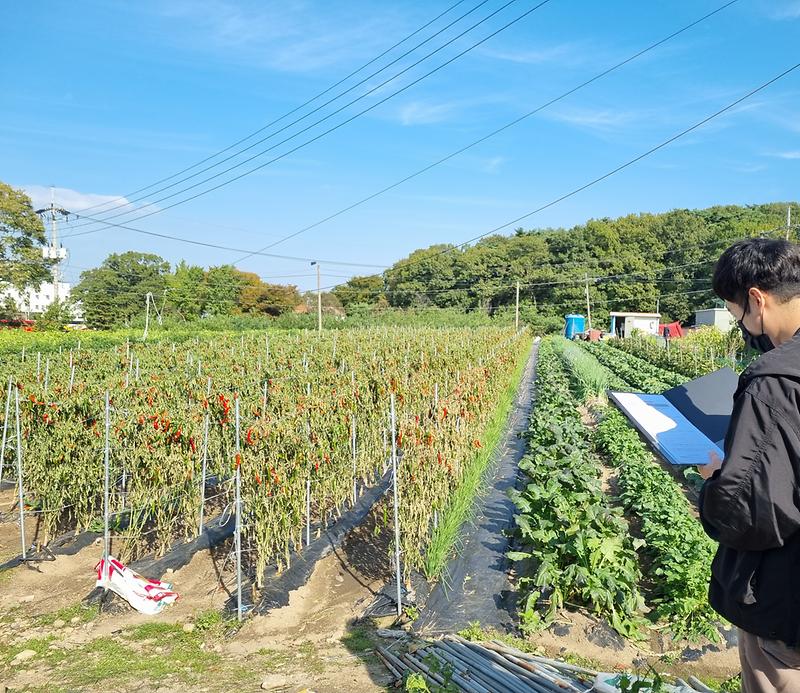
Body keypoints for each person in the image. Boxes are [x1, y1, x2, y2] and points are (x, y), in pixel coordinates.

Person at [699, 238, 800, 692]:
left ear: (756, 299)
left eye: (737, 312)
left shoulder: (775, 380)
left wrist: (717, 483)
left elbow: (754, 512)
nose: (743, 325)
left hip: (787, 600)